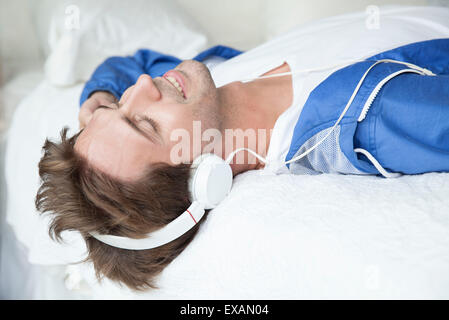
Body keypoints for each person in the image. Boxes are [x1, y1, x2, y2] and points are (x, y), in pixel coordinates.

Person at [35, 14, 449, 290]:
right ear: (204, 177)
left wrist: (101, 96)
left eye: (118, 107)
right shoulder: (374, 118)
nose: (143, 84)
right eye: (144, 123)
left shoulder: (205, 86)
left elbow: (131, 63)